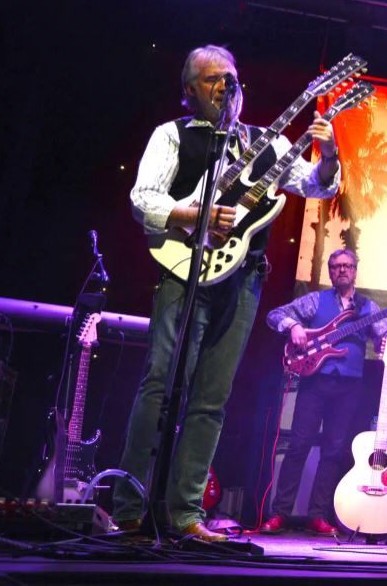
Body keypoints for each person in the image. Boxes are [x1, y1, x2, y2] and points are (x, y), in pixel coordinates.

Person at [114, 45, 341, 541]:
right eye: (212, 78)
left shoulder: (264, 142)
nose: (224, 86)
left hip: (245, 276)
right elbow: (142, 199)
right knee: (160, 384)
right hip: (183, 269)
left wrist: (328, 155)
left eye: (231, 78)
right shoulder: (172, 135)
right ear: (190, 90)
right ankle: (130, 507)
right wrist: (194, 215)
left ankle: (186, 513)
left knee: (212, 398)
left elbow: (317, 187)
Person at [259, 249, 387, 537]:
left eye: (347, 266)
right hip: (315, 383)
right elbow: (274, 315)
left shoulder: (368, 308)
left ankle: (318, 515)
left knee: (333, 451)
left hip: (349, 387)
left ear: (355, 270)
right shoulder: (316, 300)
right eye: (336, 266)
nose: (342, 270)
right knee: (298, 447)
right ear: (330, 272)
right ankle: (280, 512)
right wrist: (293, 326)